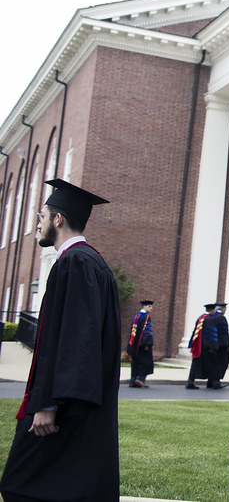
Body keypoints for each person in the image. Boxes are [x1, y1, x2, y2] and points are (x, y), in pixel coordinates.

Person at [0, 179, 121, 501]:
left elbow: (76, 336)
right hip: (71, 399)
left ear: (58, 219)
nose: (37, 224)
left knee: (20, 482)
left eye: (41, 216)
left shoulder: (77, 262)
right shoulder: (88, 262)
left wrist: (50, 403)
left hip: (63, 403)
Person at [185, 303, 218, 389]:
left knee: (195, 364)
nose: (214, 312)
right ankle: (214, 382)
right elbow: (211, 335)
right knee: (211, 364)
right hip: (206, 348)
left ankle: (190, 381)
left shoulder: (200, 318)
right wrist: (212, 347)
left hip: (198, 346)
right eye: (214, 310)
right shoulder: (209, 319)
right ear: (211, 310)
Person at [127, 299, 155, 388]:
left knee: (135, 362)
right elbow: (147, 332)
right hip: (143, 345)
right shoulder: (146, 317)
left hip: (134, 344)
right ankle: (141, 379)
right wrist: (147, 344)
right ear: (144, 306)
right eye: (149, 306)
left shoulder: (136, 316)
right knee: (146, 362)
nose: (151, 308)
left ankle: (133, 380)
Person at [212, 302, 229, 388]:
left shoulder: (213, 316)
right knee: (221, 363)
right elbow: (224, 334)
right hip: (221, 345)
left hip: (214, 344)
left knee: (214, 363)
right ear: (222, 308)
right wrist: (226, 345)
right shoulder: (221, 318)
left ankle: (212, 381)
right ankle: (216, 382)